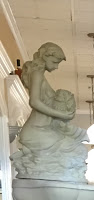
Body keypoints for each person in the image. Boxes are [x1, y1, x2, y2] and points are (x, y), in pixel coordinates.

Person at [11, 42, 88, 182]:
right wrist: (61, 115)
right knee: (72, 148)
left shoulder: (39, 74)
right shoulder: (37, 74)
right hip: (35, 130)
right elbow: (34, 102)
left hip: (44, 129)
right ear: (45, 56)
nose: (56, 67)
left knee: (75, 147)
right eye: (54, 62)